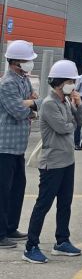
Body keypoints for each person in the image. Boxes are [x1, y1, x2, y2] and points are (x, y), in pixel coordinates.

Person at [23, 60, 82, 264]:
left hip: (67, 160)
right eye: (70, 81)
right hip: (52, 163)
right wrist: (72, 123)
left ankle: (62, 241)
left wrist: (79, 105)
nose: (72, 85)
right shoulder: (49, 103)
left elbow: (80, 122)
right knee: (43, 204)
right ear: (60, 83)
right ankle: (31, 246)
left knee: (65, 204)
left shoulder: (66, 101)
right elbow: (63, 127)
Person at [0, 40, 39, 250]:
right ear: (15, 62)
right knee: (3, 190)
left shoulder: (23, 80)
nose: (29, 64)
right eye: (26, 60)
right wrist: (33, 106)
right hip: (4, 146)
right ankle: (0, 232)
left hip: (18, 146)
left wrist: (30, 103)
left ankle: (10, 226)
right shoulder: (7, 83)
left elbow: (31, 100)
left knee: (17, 188)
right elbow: (19, 111)